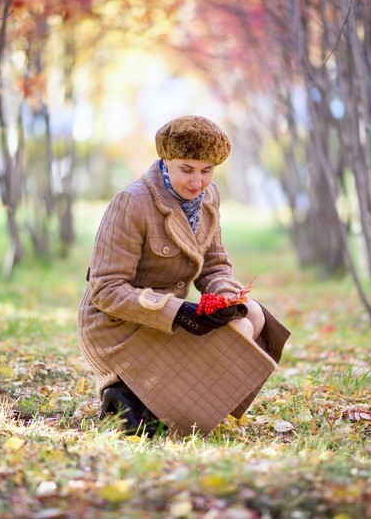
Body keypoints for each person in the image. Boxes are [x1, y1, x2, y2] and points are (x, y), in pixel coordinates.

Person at [78, 115, 290, 436]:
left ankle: (168, 401)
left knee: (251, 317)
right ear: (166, 161)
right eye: (187, 170)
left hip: (164, 316)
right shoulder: (132, 203)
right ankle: (141, 398)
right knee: (240, 329)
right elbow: (107, 290)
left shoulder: (208, 199)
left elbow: (215, 264)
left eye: (207, 171)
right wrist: (179, 313)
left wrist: (224, 297)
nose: (197, 182)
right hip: (120, 323)